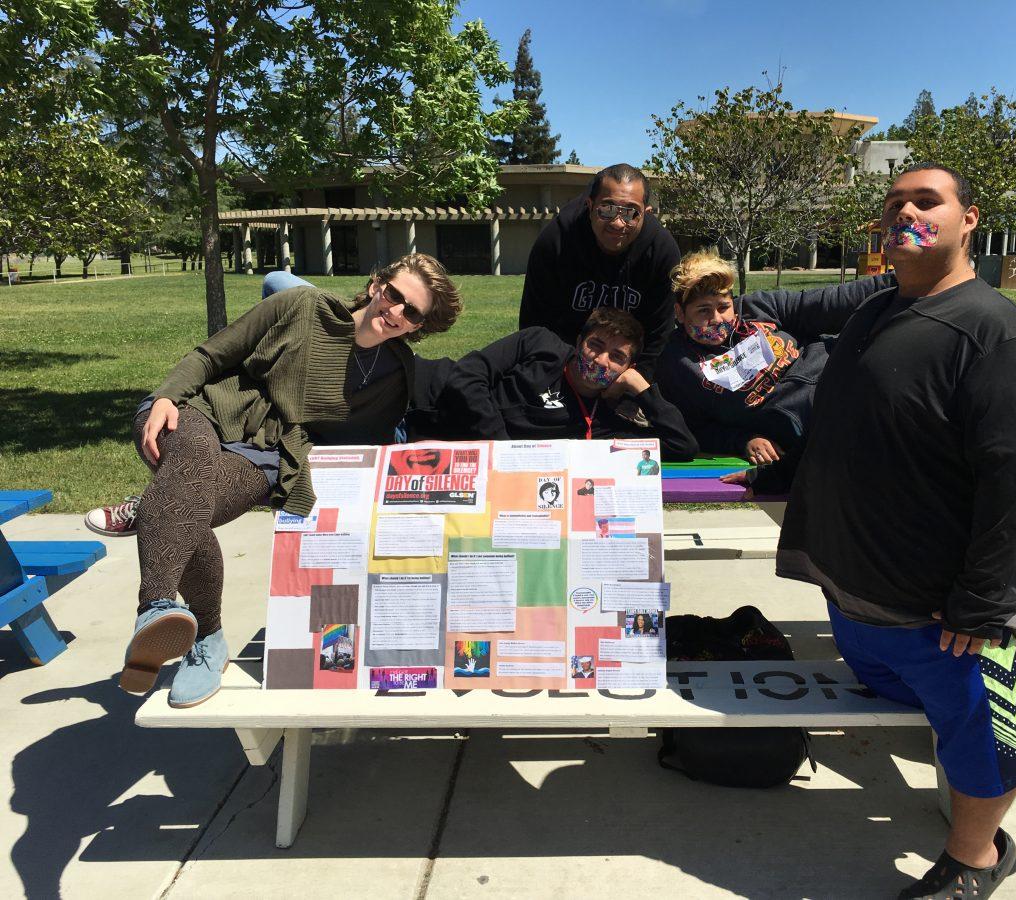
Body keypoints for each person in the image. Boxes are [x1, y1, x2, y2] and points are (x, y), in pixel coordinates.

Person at [724, 163, 1016, 898]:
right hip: (858, 597)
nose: (906, 211)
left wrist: (988, 602)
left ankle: (976, 857)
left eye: (926, 201)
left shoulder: (992, 330)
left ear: (968, 221)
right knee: (887, 680)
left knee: (977, 734)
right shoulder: (877, 311)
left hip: (943, 605)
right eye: (894, 201)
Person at [117, 254, 462, 708]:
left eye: (411, 311)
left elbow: (369, 446)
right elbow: (211, 354)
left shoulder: (396, 374)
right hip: (200, 411)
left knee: (185, 512)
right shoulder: (302, 306)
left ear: (419, 325)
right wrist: (166, 396)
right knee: (192, 475)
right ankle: (159, 610)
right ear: (377, 283)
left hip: (266, 455)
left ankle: (192, 601)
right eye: (394, 294)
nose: (395, 312)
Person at [656, 248, 893, 463]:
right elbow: (695, 428)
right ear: (680, 313)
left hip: (847, 374)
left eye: (723, 307)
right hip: (814, 425)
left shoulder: (757, 308)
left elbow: (830, 303)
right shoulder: (677, 364)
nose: (717, 319)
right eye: (703, 310)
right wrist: (743, 440)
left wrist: (901, 278)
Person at [435, 307, 698, 461]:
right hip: (430, 401)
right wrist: (504, 451)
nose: (601, 360)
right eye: (595, 345)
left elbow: (681, 445)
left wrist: (640, 387)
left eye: (617, 358)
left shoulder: (604, 425)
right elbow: (467, 375)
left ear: (627, 369)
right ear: (578, 341)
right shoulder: (539, 344)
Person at [519, 163, 681, 375]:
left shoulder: (661, 251)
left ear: (646, 213)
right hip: (564, 362)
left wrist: (634, 386)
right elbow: (535, 324)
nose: (618, 223)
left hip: (628, 364)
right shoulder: (556, 242)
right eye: (607, 209)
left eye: (631, 213)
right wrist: (559, 374)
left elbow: (659, 335)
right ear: (590, 205)